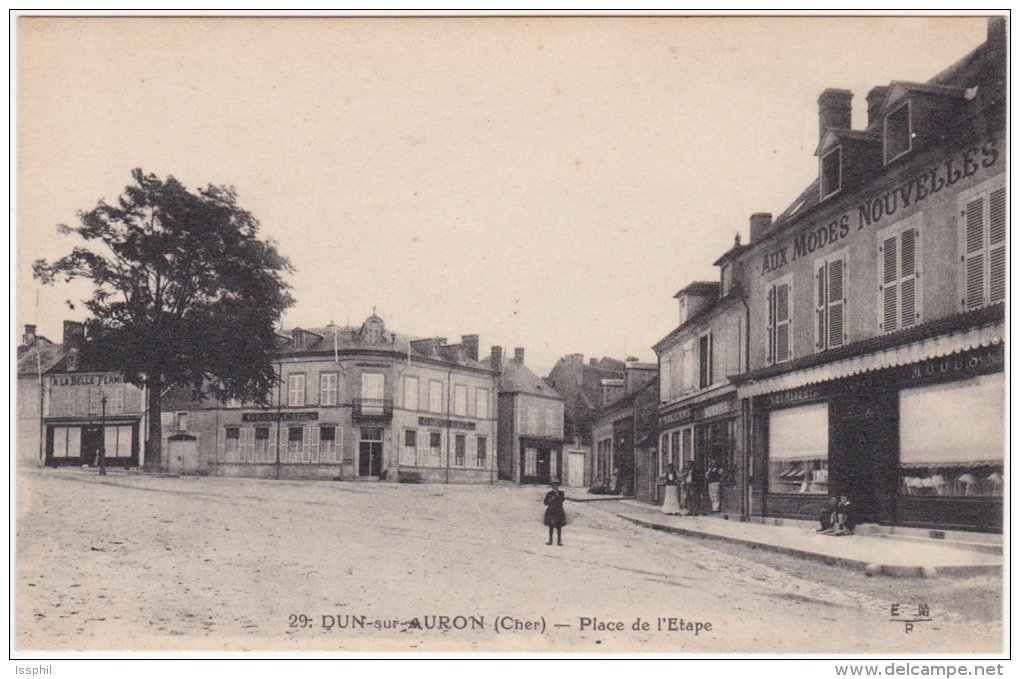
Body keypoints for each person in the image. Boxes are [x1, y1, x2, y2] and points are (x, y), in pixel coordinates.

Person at [543, 479, 567, 546]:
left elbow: (562, 500)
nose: (555, 487)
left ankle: (559, 541)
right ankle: (550, 540)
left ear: (558, 486)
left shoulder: (561, 493)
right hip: (551, 511)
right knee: (551, 527)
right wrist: (550, 499)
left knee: (559, 527)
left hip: (559, 511)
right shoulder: (549, 494)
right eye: (553, 485)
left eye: (556, 485)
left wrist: (557, 495)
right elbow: (545, 503)